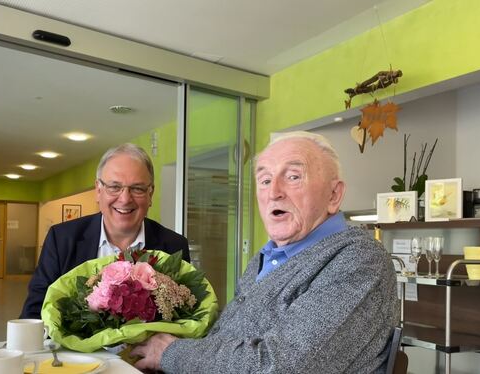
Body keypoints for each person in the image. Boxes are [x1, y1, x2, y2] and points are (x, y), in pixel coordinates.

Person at [131, 131, 399, 373]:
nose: (274, 192)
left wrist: (171, 353)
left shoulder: (359, 258)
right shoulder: (267, 257)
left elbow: (281, 365)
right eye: (265, 179)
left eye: (293, 177)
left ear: (333, 195)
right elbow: (229, 339)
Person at [21, 143, 190, 319]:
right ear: (98, 190)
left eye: (137, 188)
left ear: (150, 194)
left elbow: (185, 318)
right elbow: (34, 314)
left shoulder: (174, 246)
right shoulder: (62, 239)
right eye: (114, 187)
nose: (125, 199)